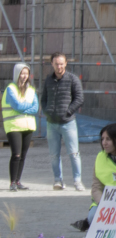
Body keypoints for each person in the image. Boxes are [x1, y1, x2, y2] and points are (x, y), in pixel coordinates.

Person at [71, 123, 116, 232]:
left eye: (108, 139)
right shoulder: (100, 157)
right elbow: (96, 188)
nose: (104, 143)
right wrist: (103, 204)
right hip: (105, 202)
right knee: (92, 217)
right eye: (102, 139)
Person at [41, 52, 84, 191]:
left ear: (65, 63)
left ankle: (77, 181)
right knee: (54, 155)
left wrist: (68, 111)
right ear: (52, 64)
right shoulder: (48, 79)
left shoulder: (73, 79)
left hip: (68, 123)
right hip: (52, 123)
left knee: (74, 153)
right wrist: (47, 111)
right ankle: (57, 180)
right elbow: (43, 98)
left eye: (61, 63)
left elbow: (79, 98)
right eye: (56, 64)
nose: (59, 66)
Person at [5, 62, 38, 191]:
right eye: (22, 73)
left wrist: (23, 107)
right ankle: (12, 182)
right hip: (14, 126)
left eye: (26, 73)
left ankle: (18, 181)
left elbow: (35, 108)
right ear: (17, 74)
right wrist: (26, 106)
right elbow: (16, 106)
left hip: (28, 126)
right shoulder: (10, 89)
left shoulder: (31, 90)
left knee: (23, 155)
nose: (24, 76)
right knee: (16, 154)